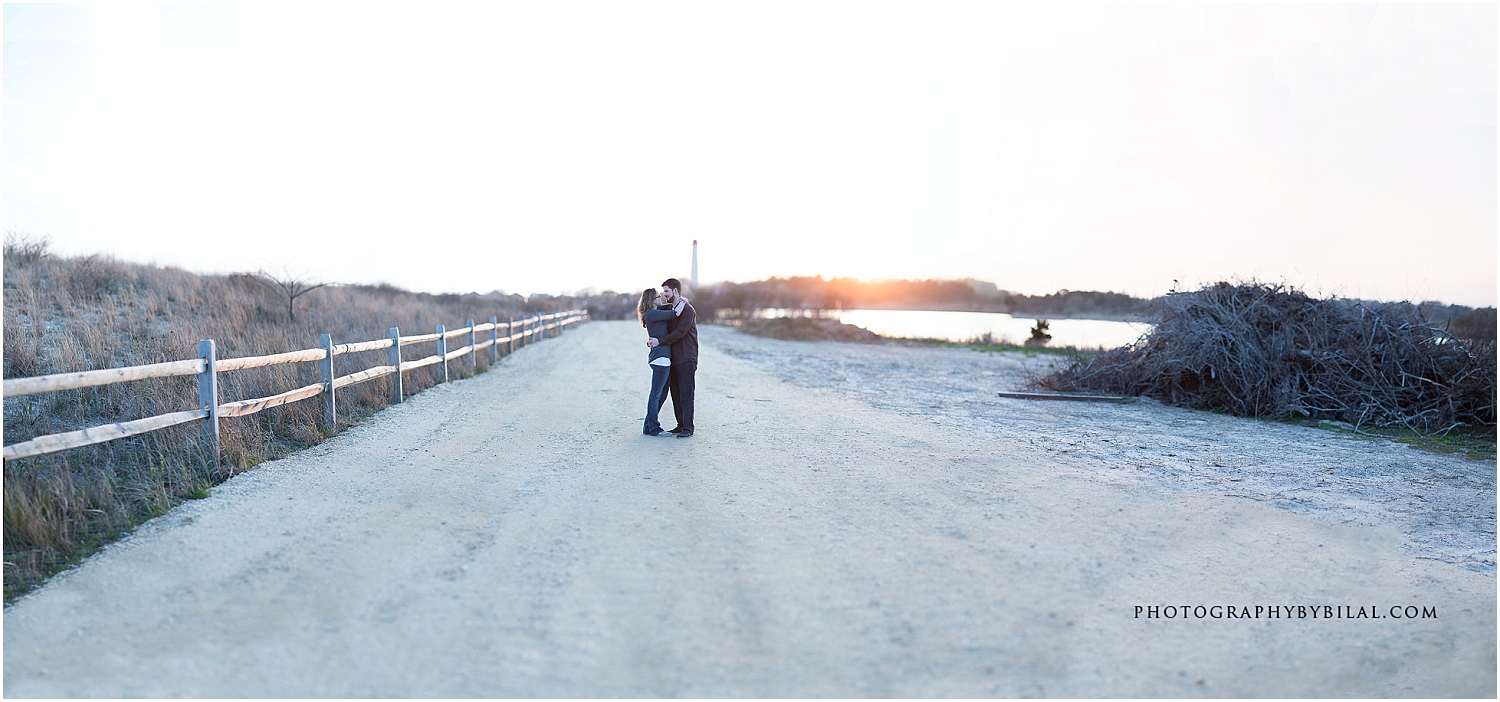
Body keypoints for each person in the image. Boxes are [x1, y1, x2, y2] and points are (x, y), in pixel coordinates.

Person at [647, 278, 697, 438]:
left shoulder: (687, 310)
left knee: (686, 394)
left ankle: (688, 427)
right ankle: (680, 425)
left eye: (666, 291)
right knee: (675, 393)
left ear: (675, 291)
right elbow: (658, 313)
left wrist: (659, 341)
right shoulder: (671, 309)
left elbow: (679, 333)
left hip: (686, 357)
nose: (664, 295)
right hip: (673, 359)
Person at [638, 288, 681, 437]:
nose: (660, 297)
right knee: (656, 395)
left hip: (662, 358)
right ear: (652, 299)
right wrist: (682, 302)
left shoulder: (653, 312)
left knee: (661, 395)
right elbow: (674, 313)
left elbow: (666, 308)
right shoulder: (652, 314)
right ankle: (655, 429)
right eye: (658, 296)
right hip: (660, 359)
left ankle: (648, 426)